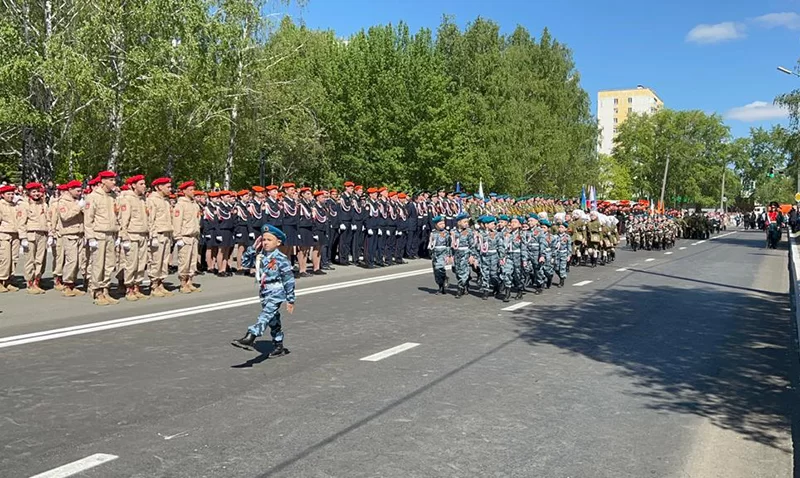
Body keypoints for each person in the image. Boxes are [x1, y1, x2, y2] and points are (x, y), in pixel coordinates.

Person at [231, 224, 295, 357]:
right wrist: (252, 248)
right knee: (273, 319)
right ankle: (278, 345)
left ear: (278, 242)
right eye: (264, 239)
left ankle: (250, 336)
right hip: (264, 292)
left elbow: (289, 280)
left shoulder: (281, 259)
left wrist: (290, 299)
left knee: (265, 315)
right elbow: (245, 264)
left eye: (269, 240)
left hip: (276, 292)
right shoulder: (260, 256)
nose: (265, 242)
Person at [84, 170, 120, 305]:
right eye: (111, 180)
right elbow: (88, 219)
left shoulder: (113, 196)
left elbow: (117, 216)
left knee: (109, 264)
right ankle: (97, 291)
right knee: (98, 264)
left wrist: (118, 234)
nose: (114, 182)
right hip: (98, 234)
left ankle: (105, 289)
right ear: (103, 181)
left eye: (114, 180)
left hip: (111, 234)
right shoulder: (93, 196)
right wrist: (90, 237)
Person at [119, 175, 149, 300]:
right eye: (141, 184)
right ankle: (129, 288)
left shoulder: (142, 200)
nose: (144, 186)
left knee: (141, 263)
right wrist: (124, 237)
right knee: (131, 263)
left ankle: (137, 286)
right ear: (133, 185)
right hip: (132, 235)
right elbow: (124, 220)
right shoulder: (127, 199)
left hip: (143, 235)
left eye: (144, 184)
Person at [147, 177, 175, 297]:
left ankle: (160, 283)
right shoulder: (152, 200)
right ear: (159, 187)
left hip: (166, 233)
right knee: (156, 261)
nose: (170, 189)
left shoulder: (166, 201)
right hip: (158, 234)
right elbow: (150, 219)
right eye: (167, 187)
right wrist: (152, 236)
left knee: (164, 261)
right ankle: (154, 285)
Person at [173, 180, 202, 294]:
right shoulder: (180, 205)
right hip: (185, 236)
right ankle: (183, 283)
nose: (193, 191)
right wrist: (178, 237)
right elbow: (177, 222)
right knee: (184, 261)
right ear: (184, 191)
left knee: (192, 261)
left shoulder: (195, 205)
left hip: (194, 236)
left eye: (193, 189)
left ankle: (190, 281)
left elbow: (197, 220)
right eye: (190, 190)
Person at [21, 182, 49, 293]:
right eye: (33, 192)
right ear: (29, 193)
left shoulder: (44, 204)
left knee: (40, 259)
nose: (36, 194)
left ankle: (37, 281)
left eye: (38, 191)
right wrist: (23, 237)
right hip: (31, 234)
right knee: (30, 259)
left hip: (42, 233)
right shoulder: (25, 205)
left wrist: (50, 233)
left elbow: (48, 220)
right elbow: (21, 222)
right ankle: (30, 282)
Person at [0, 184, 23, 292]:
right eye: (8, 194)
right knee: (5, 259)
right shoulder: (1, 205)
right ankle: (1, 280)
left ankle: (9, 280)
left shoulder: (15, 206)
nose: (11, 196)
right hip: (4, 234)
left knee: (14, 259)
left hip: (15, 234)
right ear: (2, 195)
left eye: (12, 194)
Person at [428, 215, 452, 295]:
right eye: (440, 224)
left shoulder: (446, 233)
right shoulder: (433, 233)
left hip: (443, 253)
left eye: (443, 223)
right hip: (435, 254)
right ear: (436, 225)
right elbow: (431, 244)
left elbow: (448, 245)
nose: (442, 225)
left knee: (440, 268)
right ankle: (440, 286)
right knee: (436, 272)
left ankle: (444, 280)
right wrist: (430, 253)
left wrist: (448, 255)